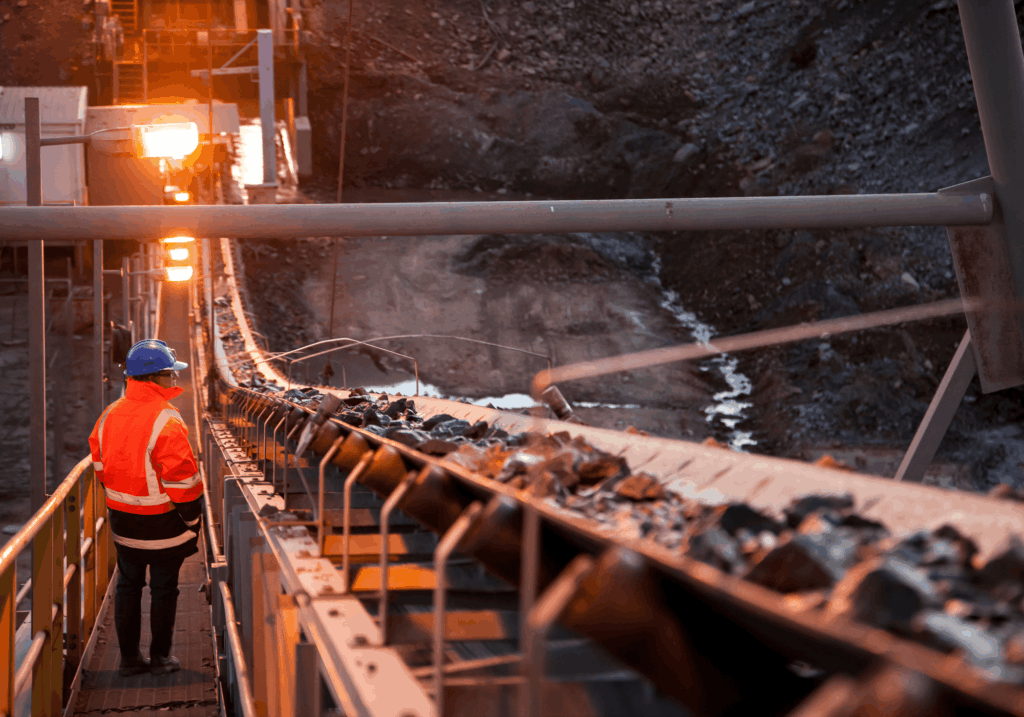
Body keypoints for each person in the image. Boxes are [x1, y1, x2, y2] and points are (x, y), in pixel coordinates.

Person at [88, 339, 204, 676]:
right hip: (162, 525)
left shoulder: (109, 415)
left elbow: (99, 466)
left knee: (128, 585)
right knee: (164, 588)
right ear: (155, 378)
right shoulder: (167, 420)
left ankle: (128, 660)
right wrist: (192, 519)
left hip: (123, 523)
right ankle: (161, 657)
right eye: (171, 374)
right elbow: (183, 482)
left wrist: (122, 497)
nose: (175, 381)